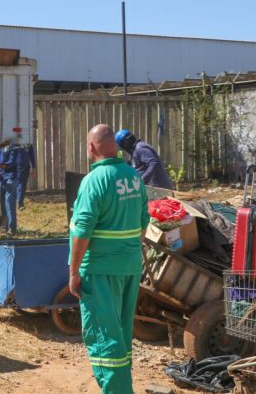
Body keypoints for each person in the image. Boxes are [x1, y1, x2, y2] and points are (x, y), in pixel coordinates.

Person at [69, 124, 150, 394]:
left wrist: (73, 271)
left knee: (104, 337)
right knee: (121, 334)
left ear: (91, 148)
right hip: (128, 267)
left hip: (100, 269)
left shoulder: (93, 181)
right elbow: (142, 224)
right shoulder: (133, 177)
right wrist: (126, 255)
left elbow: (82, 230)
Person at [0, 144, 19, 234]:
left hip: (10, 178)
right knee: (2, 203)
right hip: (1, 178)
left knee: (9, 203)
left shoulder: (14, 148)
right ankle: (4, 226)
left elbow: (11, 164)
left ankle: (12, 228)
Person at [15, 144, 36, 209]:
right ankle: (19, 203)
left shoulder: (28, 141)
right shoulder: (16, 141)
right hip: (18, 166)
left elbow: (31, 154)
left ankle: (20, 202)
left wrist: (33, 167)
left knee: (23, 184)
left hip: (26, 166)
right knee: (20, 184)